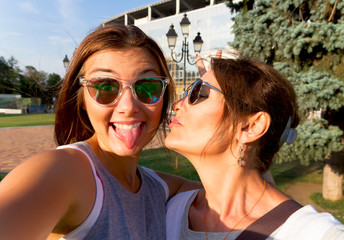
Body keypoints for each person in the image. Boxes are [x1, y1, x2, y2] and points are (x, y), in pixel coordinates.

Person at [0, 24, 199, 240]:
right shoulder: (64, 171)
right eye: (105, 87)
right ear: (82, 99)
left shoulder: (157, 187)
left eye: (147, 87)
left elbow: (227, 193)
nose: (128, 106)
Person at [165, 54, 344, 239]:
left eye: (198, 94)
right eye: (189, 93)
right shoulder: (170, 210)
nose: (176, 105)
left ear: (252, 126)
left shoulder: (313, 233)